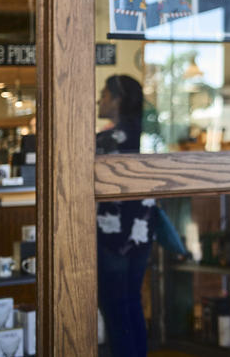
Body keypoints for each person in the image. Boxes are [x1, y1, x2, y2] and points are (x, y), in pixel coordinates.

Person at [96, 75, 154, 357]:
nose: (99, 99)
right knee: (131, 303)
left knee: (115, 307)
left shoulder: (106, 141)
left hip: (112, 235)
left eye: (104, 94)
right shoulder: (146, 136)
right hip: (141, 230)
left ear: (117, 99)